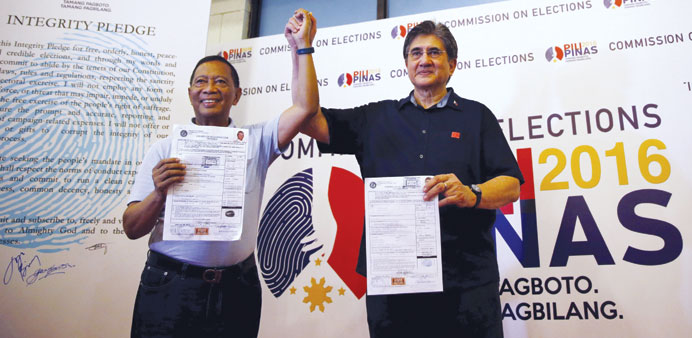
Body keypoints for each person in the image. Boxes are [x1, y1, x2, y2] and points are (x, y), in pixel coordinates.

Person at [300, 20, 524, 337]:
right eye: (416, 53)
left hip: (466, 283)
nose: (424, 60)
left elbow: (511, 185)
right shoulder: (375, 118)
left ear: (452, 65)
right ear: (406, 64)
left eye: (435, 52)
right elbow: (307, 118)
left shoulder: (477, 116)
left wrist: (470, 192)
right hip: (394, 285)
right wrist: (303, 50)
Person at [122, 9, 317, 337]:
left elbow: (304, 108)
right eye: (201, 81)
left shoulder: (256, 141)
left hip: (236, 289)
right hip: (170, 288)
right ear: (190, 93)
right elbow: (131, 228)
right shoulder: (164, 150)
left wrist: (302, 47)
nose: (209, 88)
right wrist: (159, 193)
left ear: (237, 95)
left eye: (221, 81)